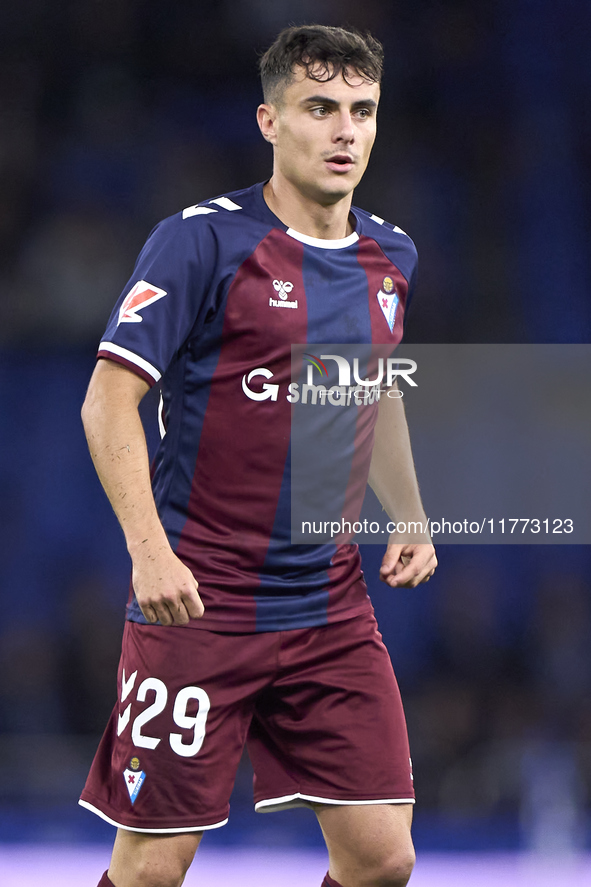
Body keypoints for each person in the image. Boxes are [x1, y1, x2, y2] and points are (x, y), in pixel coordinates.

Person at [79, 24, 437, 887]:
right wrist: (149, 550)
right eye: (320, 108)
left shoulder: (392, 257)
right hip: (198, 602)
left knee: (382, 858)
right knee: (154, 866)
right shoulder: (200, 242)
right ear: (269, 121)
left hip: (327, 603)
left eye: (362, 110)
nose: (345, 131)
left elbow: (373, 388)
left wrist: (413, 514)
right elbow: (108, 399)